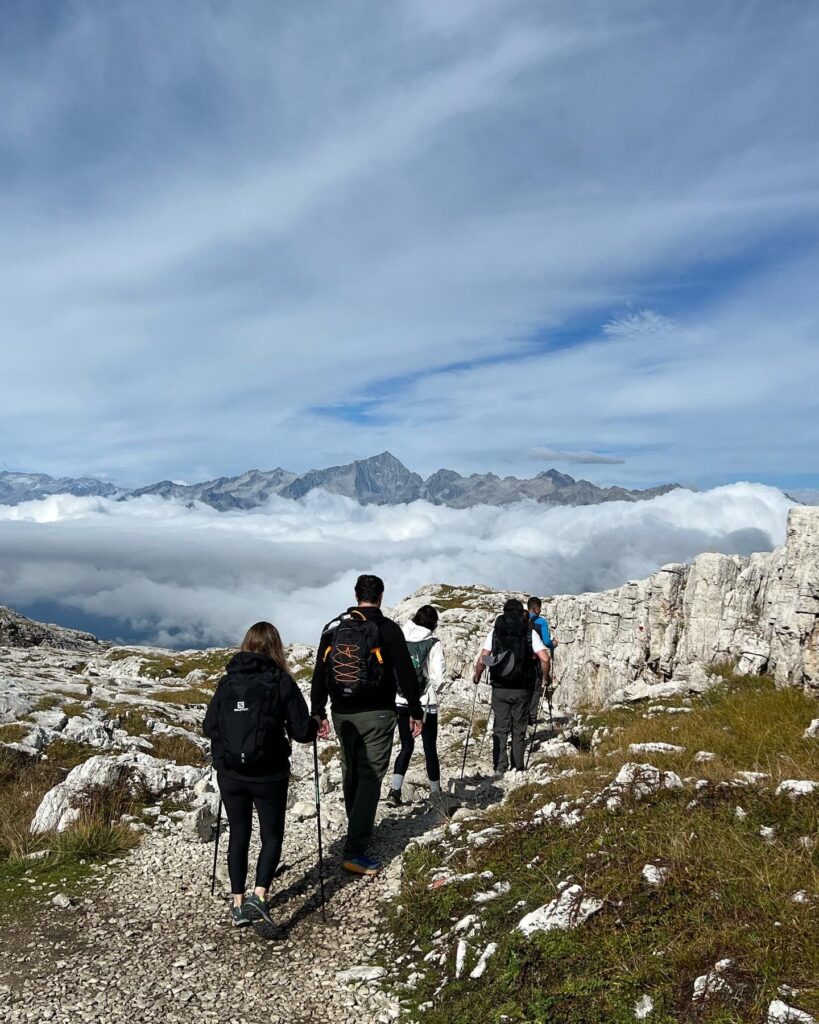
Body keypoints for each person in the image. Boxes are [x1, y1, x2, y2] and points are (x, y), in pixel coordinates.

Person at [203, 621, 318, 928]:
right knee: (271, 835)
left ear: (247, 645)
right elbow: (302, 731)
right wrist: (316, 722)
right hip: (270, 773)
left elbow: (208, 726)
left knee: (239, 834)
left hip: (231, 773)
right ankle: (260, 894)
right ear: (275, 647)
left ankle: (238, 904)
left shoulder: (227, 682)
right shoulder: (280, 680)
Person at [311, 574, 423, 876]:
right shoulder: (387, 629)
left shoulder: (334, 628)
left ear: (356, 594)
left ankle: (358, 829)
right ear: (381, 597)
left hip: (341, 712)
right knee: (371, 775)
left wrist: (318, 710)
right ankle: (355, 848)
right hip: (378, 713)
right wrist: (416, 710)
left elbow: (320, 672)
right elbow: (405, 672)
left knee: (351, 771)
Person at [473, 598, 550, 773]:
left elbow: (483, 659)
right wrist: (545, 678)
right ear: (521, 612)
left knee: (500, 728)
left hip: (499, 687)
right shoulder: (529, 633)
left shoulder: (495, 633)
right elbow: (545, 658)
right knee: (519, 728)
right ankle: (518, 766)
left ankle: (500, 766)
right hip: (523, 688)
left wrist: (477, 675)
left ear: (504, 612)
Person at [386, 604, 446, 808]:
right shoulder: (433, 643)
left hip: (400, 700)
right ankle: (436, 793)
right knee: (430, 747)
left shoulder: (400, 636)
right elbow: (438, 678)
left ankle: (394, 791)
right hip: (425, 703)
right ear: (433, 624)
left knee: (406, 746)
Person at [526, 596, 554, 727]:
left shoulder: (521, 620)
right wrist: (553, 644)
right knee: (536, 688)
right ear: (536, 608)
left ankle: (520, 714)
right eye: (540, 608)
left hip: (520, 659)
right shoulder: (541, 622)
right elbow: (547, 642)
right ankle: (531, 717)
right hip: (535, 659)